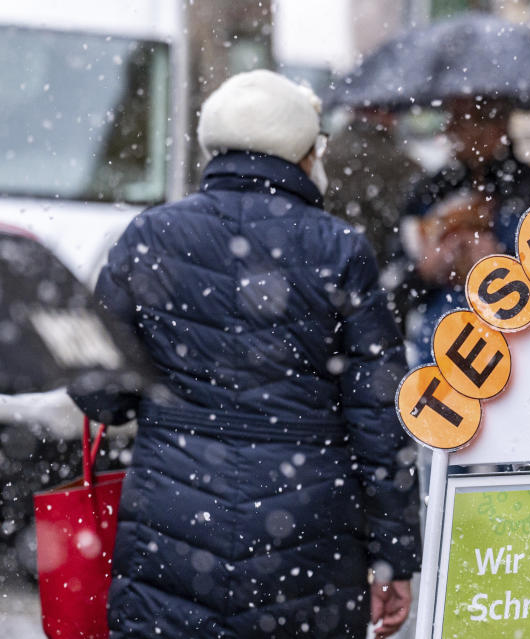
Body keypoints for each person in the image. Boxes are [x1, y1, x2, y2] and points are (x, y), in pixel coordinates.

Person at [69, 70, 420, 639]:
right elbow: (382, 416)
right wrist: (394, 556)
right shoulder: (341, 250)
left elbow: (98, 393)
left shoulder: (148, 237)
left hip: (171, 524)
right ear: (306, 154)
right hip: (308, 537)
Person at [400, 98, 530, 363]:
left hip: (517, 351)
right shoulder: (430, 191)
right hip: (436, 351)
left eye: (462, 120)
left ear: (496, 127)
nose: (449, 129)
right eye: (450, 118)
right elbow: (392, 281)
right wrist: (424, 271)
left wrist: (500, 266)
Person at [323, 107, 424, 326]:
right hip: (378, 285)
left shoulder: (324, 155)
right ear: (387, 114)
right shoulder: (404, 166)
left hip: (328, 282)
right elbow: (409, 233)